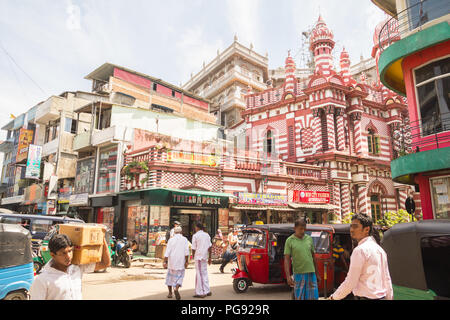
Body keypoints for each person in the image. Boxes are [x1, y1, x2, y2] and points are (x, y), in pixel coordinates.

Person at [329, 213, 393, 300]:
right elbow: (387, 280)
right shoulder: (380, 250)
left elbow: (350, 282)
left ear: (366, 229)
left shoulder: (360, 251)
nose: (351, 230)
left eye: (355, 226)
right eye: (351, 226)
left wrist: (333, 297)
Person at [30, 232, 111, 300]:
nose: (68, 256)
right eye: (63, 253)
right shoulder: (42, 280)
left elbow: (105, 263)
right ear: (52, 255)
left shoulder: (77, 268)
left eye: (70, 251)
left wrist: (102, 237)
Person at [284, 219, 321, 300]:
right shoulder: (289, 241)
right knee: (299, 297)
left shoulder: (309, 239)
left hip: (311, 273)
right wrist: (288, 276)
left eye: (304, 229)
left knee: (313, 297)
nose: (303, 231)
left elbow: (313, 257)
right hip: (298, 273)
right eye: (300, 229)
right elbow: (286, 259)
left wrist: (317, 273)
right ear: (295, 228)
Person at [163, 226, 190, 300]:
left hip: (172, 262)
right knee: (180, 277)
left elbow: (167, 252)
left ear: (174, 232)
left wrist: (165, 261)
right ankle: (176, 289)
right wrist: (186, 261)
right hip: (180, 262)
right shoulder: (184, 240)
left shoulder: (171, 240)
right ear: (181, 232)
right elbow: (186, 252)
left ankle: (170, 293)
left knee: (169, 277)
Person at [191, 222, 212, 298]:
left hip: (199, 257)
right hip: (204, 256)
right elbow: (210, 247)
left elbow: (193, 248)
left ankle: (202, 292)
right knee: (204, 273)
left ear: (197, 227)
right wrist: (210, 257)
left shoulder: (195, 236)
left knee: (199, 274)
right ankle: (207, 290)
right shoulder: (207, 235)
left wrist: (193, 257)